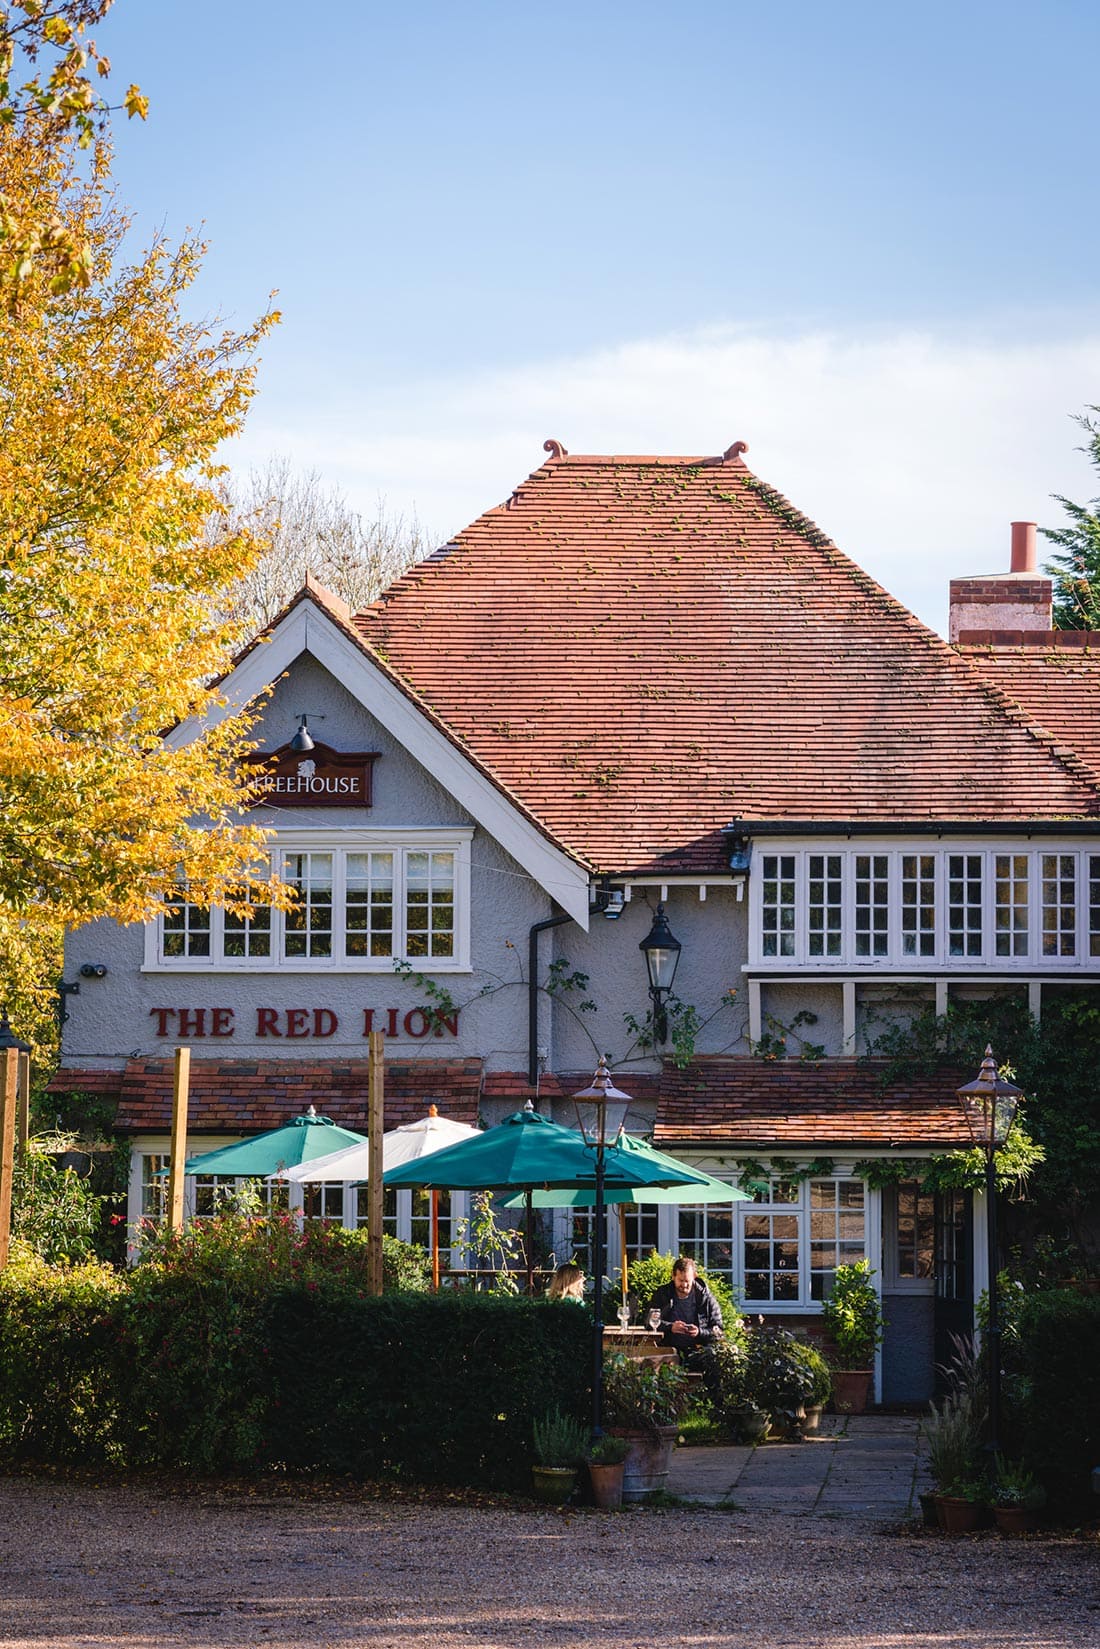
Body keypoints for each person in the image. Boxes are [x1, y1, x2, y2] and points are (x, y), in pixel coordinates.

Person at [645, 1256, 723, 1394]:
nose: (684, 1285)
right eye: (680, 1281)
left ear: (694, 1277)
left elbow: (718, 1330)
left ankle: (712, 1409)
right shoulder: (662, 1294)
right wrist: (670, 1327)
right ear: (673, 1277)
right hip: (668, 1348)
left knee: (713, 1363)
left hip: (697, 1350)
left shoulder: (706, 1297)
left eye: (687, 1281)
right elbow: (648, 1322)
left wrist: (699, 1332)